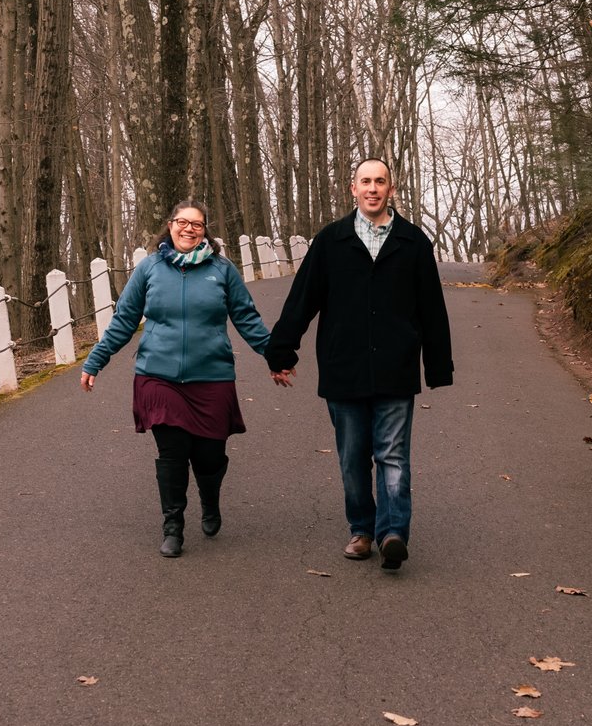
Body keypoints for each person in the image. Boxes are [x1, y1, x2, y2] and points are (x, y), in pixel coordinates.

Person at [263, 158, 454, 573]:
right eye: (365, 181)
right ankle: (362, 530)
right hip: (343, 367)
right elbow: (302, 301)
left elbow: (432, 310)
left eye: (380, 181)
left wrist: (438, 367)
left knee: (393, 455)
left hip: (395, 368)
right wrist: (281, 352)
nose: (372, 188)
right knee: (353, 457)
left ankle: (393, 534)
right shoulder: (331, 241)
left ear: (391, 189)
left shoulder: (413, 242)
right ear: (353, 189)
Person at [81, 200, 273, 558]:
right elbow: (124, 319)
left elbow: (246, 318)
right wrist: (96, 360)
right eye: (181, 222)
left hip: (212, 375)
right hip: (158, 375)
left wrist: (274, 357)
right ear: (169, 226)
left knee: (210, 456)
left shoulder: (222, 269)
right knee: (172, 453)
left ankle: (210, 499)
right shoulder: (150, 269)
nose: (188, 229)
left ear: (205, 231)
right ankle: (173, 526)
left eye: (196, 224)